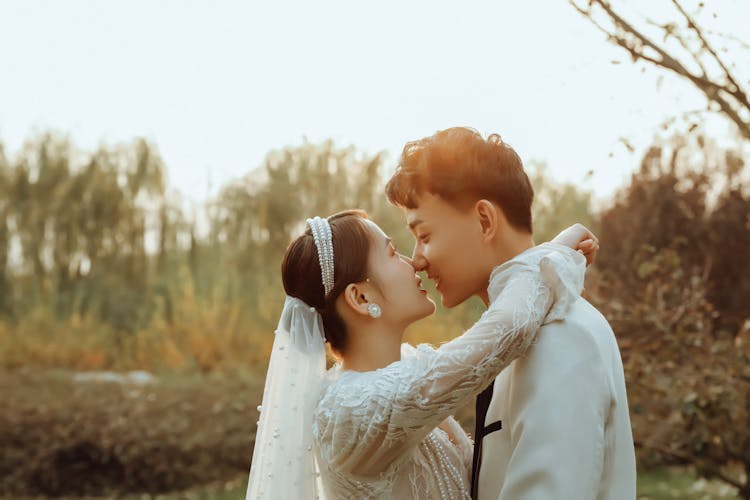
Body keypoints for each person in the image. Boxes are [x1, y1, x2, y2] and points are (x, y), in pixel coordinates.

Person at [246, 208, 598, 499]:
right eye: (391, 253)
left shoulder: (410, 363)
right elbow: (507, 331)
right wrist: (551, 257)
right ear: (361, 298)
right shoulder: (348, 411)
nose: (412, 263)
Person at [385, 127, 637, 499]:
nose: (418, 259)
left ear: (485, 221)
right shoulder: (509, 340)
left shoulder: (562, 335)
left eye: (424, 235)